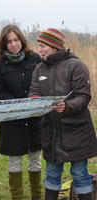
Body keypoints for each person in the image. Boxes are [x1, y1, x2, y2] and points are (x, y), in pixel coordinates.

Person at [29, 28, 97, 200]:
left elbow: (84, 96)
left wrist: (67, 106)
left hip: (77, 131)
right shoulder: (39, 69)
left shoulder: (76, 65)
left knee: (80, 173)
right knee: (52, 173)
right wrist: (35, 100)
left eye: (43, 46)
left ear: (54, 46)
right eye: (39, 45)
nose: (39, 49)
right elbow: (33, 92)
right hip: (50, 130)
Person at [0, 24, 43, 200]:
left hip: (35, 118)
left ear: (21, 40)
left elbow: (43, 83)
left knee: (35, 158)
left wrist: (34, 100)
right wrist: (18, 104)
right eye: (9, 42)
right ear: (3, 44)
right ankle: (17, 197)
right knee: (15, 161)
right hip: (12, 119)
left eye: (16, 40)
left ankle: (36, 195)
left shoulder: (35, 58)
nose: (14, 44)